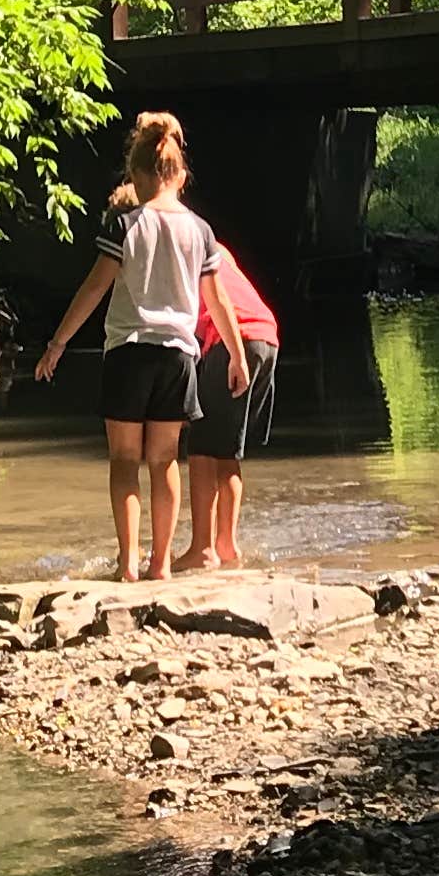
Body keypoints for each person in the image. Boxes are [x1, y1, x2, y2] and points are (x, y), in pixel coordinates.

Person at [38, 111, 249, 582]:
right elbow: (217, 302)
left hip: (129, 353)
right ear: (179, 174)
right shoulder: (200, 230)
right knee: (164, 461)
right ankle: (161, 565)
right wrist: (236, 355)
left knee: (124, 462)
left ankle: (128, 562)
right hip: (178, 356)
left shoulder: (125, 224)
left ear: (136, 175)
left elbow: (94, 289)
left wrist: (57, 344)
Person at [177, 239, 280, 572]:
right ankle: (227, 546)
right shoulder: (214, 245)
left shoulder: (169, 247)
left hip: (232, 337)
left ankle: (202, 550)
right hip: (266, 335)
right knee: (228, 450)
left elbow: (177, 322)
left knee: (201, 447)